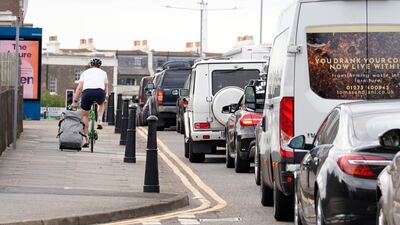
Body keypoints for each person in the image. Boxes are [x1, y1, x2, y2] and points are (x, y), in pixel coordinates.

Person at [71, 58, 108, 147]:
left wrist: (75, 102)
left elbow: (79, 88)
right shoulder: (104, 73)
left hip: (87, 92)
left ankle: (85, 138)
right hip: (100, 92)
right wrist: (104, 97)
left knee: (84, 116)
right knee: (101, 104)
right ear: (100, 66)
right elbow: (106, 88)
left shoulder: (85, 72)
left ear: (90, 65)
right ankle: (99, 120)